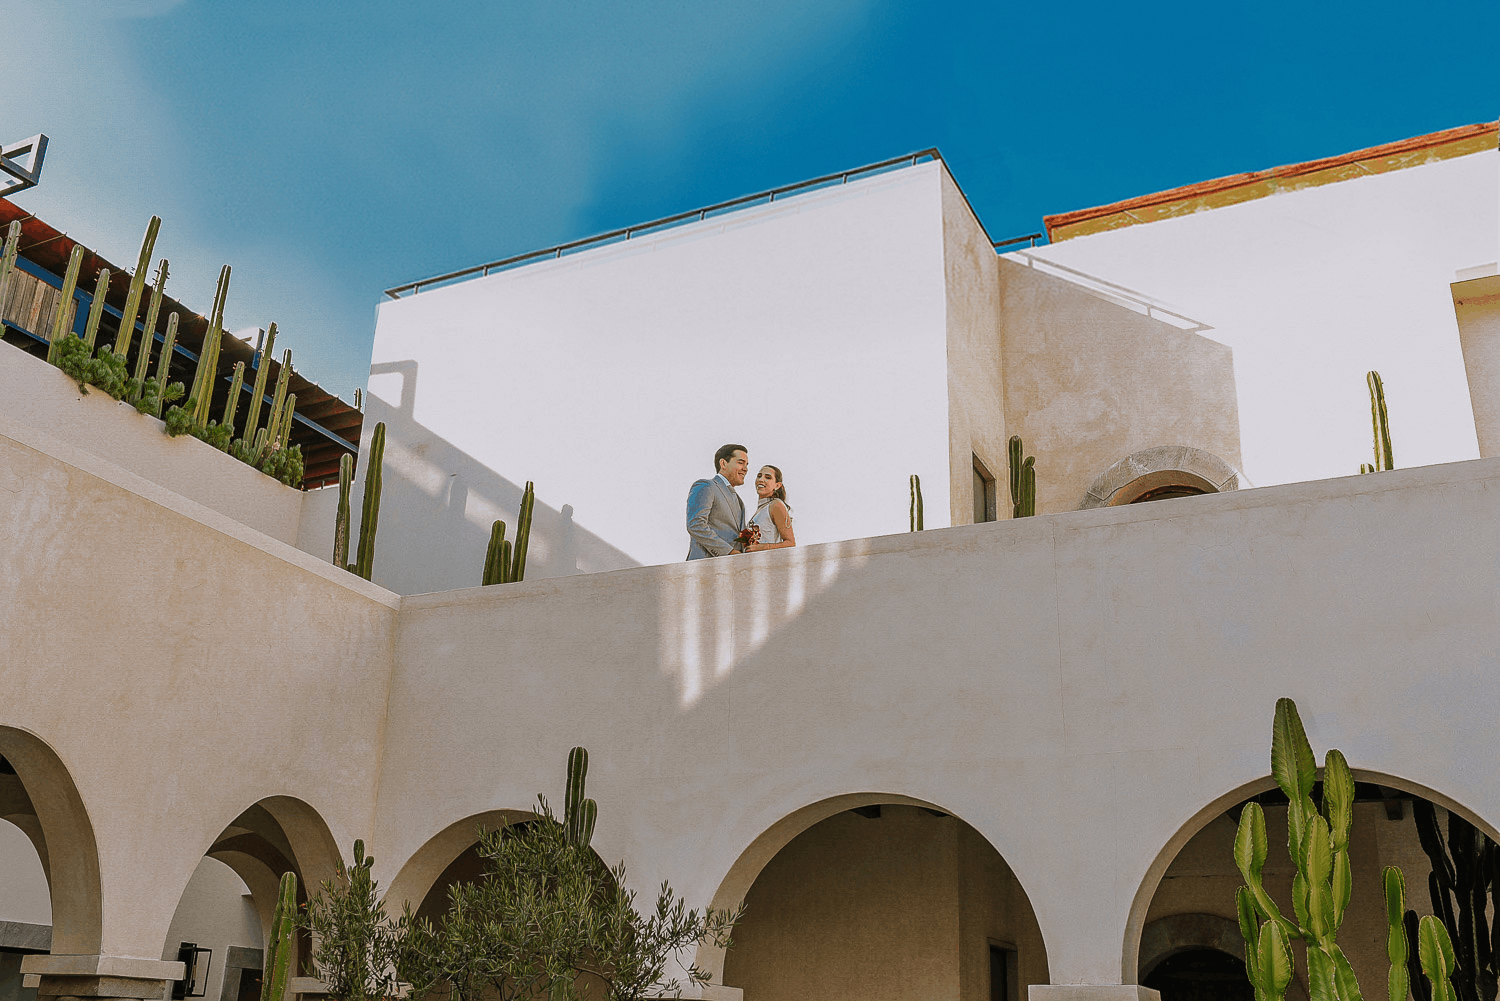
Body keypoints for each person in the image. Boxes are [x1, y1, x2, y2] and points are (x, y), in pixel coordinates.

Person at [685, 444, 749, 559]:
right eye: (740, 463)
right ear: (723, 463)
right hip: (705, 567)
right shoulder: (705, 486)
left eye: (746, 464)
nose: (745, 469)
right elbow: (696, 524)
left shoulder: (740, 501)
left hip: (732, 569)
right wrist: (729, 552)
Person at [745, 465, 795, 552]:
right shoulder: (761, 509)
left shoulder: (776, 505)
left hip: (769, 562)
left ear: (777, 485)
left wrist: (763, 547)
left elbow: (790, 543)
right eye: (759, 476)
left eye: (768, 477)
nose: (761, 480)